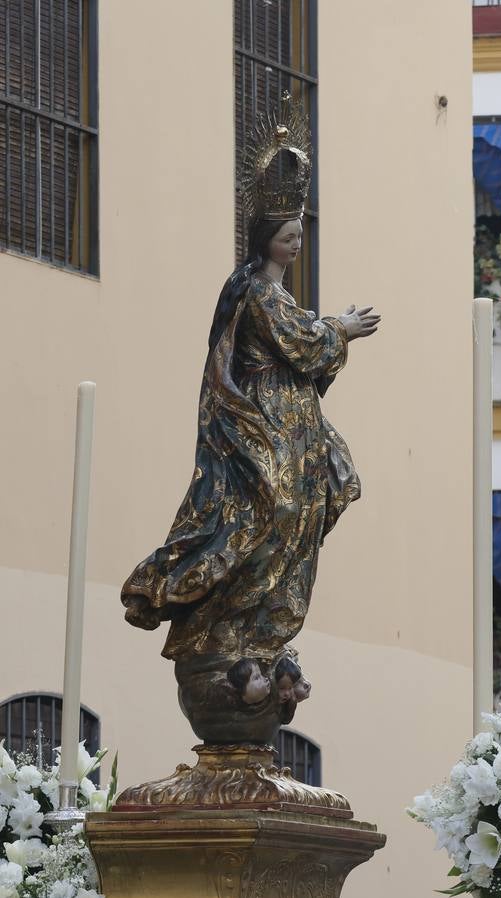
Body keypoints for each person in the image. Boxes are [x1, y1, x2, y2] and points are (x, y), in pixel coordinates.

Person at [120, 96, 379, 745]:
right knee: (269, 514)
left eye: (299, 235)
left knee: (299, 517)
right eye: (287, 236)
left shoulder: (277, 292)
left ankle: (261, 627)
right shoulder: (259, 293)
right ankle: (231, 622)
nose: (296, 244)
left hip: (294, 429)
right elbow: (301, 345)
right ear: (264, 239)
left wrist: (328, 336)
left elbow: (307, 359)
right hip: (264, 431)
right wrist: (340, 327)